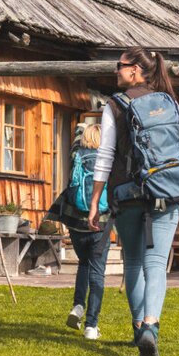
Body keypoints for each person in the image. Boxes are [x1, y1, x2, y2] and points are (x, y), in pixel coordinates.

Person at [87, 47, 179, 356]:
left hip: (127, 193)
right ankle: (151, 324)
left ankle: (139, 329)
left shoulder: (115, 105)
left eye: (119, 67)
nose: (115, 72)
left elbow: (105, 155)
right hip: (167, 191)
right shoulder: (168, 102)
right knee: (156, 263)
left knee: (134, 262)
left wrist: (96, 201)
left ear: (135, 70)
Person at [66, 123, 110, 340]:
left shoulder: (76, 155)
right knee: (97, 273)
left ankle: (77, 306)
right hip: (100, 223)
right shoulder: (106, 158)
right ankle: (91, 326)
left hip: (76, 225)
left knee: (83, 264)